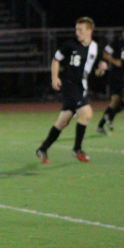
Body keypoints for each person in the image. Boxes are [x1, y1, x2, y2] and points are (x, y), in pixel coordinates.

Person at [36, 17, 107, 163]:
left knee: (62, 122)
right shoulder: (70, 45)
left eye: (80, 29)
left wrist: (101, 70)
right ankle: (77, 149)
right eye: (76, 29)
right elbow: (56, 59)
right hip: (69, 85)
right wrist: (54, 77)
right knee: (86, 114)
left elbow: (96, 72)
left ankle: (42, 148)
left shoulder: (96, 49)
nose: (77, 32)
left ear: (89, 31)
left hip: (81, 87)